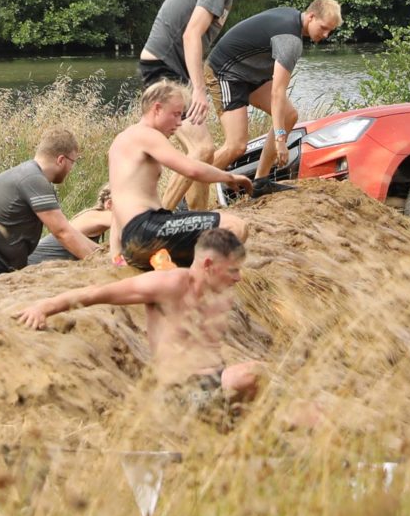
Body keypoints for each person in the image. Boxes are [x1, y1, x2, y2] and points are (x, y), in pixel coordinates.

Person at [14, 225, 265, 416]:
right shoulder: (168, 284)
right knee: (251, 374)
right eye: (233, 270)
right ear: (209, 264)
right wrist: (43, 307)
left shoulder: (210, 294)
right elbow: (96, 293)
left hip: (210, 386)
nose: (238, 278)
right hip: (177, 394)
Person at [108, 81, 252, 269]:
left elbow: (118, 202)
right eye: (175, 115)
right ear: (157, 109)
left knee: (201, 248)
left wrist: (116, 254)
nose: (178, 123)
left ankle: (185, 275)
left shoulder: (120, 141)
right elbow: (191, 169)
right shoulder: (147, 134)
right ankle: (196, 286)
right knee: (236, 227)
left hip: (132, 238)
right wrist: (229, 177)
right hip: (148, 230)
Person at [137, 0, 270, 120]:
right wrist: (199, 89)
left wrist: (194, 83)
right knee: (201, 148)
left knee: (167, 140)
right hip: (163, 69)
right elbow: (191, 34)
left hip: (167, 67)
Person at [206, 0, 339, 177]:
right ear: (311, 16)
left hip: (250, 74)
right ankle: (186, 184)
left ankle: (261, 180)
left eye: (330, 31)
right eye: (323, 28)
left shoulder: (292, 17)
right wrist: (280, 140)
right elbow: (277, 92)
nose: (325, 35)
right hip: (225, 71)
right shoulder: (290, 41)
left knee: (289, 115)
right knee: (236, 146)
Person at [0, 128, 101, 287]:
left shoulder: (26, 174)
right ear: (61, 160)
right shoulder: (33, 179)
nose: (72, 169)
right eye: (73, 162)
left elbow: (68, 230)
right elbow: (62, 232)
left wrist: (104, 254)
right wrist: (100, 265)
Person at [27, 187, 117, 266]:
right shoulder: (97, 215)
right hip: (31, 263)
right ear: (109, 204)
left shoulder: (97, 219)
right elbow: (125, 223)